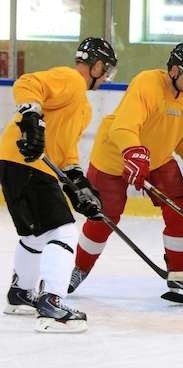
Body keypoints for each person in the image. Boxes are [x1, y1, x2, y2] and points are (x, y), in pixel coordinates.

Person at [67, 43, 183, 301]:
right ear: (175, 70)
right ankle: (79, 269)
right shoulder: (147, 83)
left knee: (180, 212)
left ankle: (179, 276)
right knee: (104, 216)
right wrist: (133, 152)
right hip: (113, 157)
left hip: (157, 159)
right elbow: (123, 127)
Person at [0, 37, 118, 332]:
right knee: (63, 231)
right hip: (28, 165)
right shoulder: (71, 80)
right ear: (97, 65)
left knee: (36, 235)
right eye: (107, 71)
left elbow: (65, 151)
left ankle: (20, 294)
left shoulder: (83, 108)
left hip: (17, 164)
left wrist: (78, 183)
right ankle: (52, 302)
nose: (106, 78)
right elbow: (27, 83)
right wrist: (30, 118)